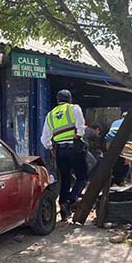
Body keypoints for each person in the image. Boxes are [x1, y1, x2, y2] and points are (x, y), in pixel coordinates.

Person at [40, 89, 86, 219]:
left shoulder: (50, 115)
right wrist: (78, 137)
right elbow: (81, 128)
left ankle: (63, 206)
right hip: (74, 148)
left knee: (65, 180)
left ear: (58, 100)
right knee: (82, 177)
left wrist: (51, 148)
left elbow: (44, 139)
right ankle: (71, 200)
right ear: (70, 99)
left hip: (60, 151)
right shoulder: (74, 108)